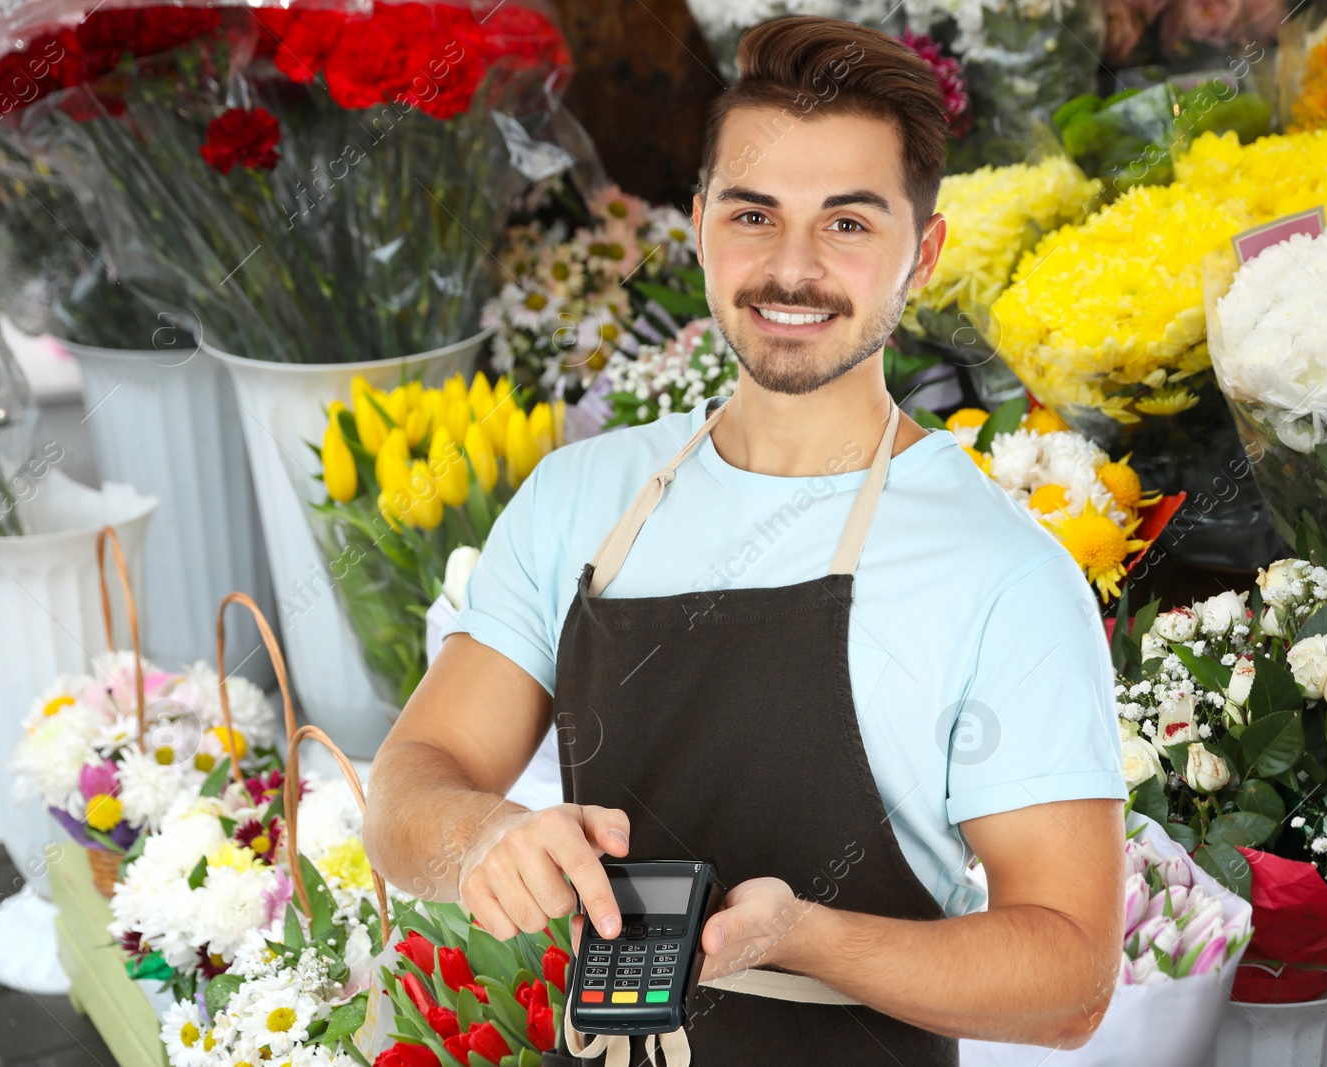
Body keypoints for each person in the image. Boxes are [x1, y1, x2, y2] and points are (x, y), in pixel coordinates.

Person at [364, 15, 1125, 1065]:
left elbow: (1070, 977)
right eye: (754, 213)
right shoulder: (581, 497)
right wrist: (482, 835)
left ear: (926, 250)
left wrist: (804, 936)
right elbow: (412, 781)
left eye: (848, 224)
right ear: (699, 223)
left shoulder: (1004, 574)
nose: (791, 268)